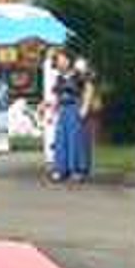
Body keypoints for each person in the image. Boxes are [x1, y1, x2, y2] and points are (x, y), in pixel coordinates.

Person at [49, 50, 94, 183]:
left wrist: (85, 107)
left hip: (75, 108)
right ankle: (61, 169)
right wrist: (53, 110)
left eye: (63, 59)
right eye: (58, 60)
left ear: (69, 60)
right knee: (61, 139)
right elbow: (57, 96)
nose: (60, 62)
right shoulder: (59, 78)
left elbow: (89, 88)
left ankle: (78, 170)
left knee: (76, 139)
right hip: (63, 110)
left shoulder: (78, 75)